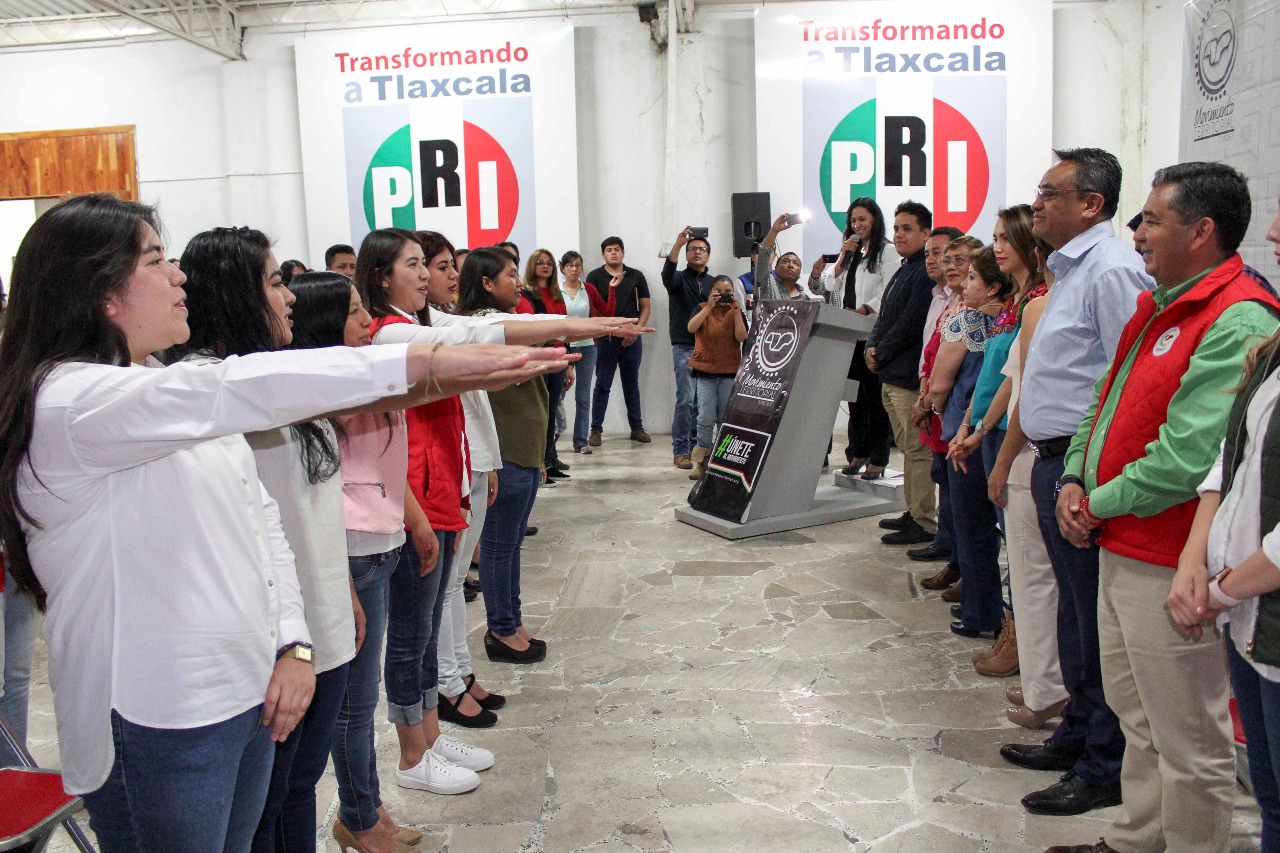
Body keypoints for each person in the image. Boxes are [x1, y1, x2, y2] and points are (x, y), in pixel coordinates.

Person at [0, 193, 566, 848]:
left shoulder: (156, 381)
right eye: (156, 259)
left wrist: (293, 644)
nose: (177, 274)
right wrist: (425, 363)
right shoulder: (71, 399)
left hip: (242, 692)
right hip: (156, 713)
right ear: (102, 292)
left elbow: (260, 520)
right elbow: (235, 386)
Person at [1044, 163, 1280, 853]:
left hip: (1169, 556)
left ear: (1201, 231)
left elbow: (1188, 455)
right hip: (1120, 541)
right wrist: (1074, 477)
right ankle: (1136, 838)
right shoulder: (1157, 302)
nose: (1136, 231)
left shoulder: (1237, 315)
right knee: (1137, 715)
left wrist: (1097, 503)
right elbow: (1104, 398)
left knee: (1187, 736)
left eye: (1151, 219)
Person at [172, 228, 371, 853]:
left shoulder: (277, 377)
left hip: (322, 624)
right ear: (236, 293)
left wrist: (342, 593)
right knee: (264, 807)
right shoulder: (217, 390)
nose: (287, 294)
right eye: (273, 280)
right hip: (280, 646)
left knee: (297, 788)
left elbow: (312, 515)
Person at [999, 147, 1153, 818]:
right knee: (1072, 611)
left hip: (1082, 468)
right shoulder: (1071, 270)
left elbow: (1129, 382)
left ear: (1091, 203)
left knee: (1095, 623)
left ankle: (1104, 764)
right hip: (1056, 458)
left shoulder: (1112, 270)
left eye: (1049, 193)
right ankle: (1077, 732)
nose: (1036, 204)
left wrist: (1087, 474)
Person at [287, 272, 420, 853]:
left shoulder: (353, 377)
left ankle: (367, 807)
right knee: (353, 704)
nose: (369, 323)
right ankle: (360, 816)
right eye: (355, 313)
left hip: (381, 539)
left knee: (359, 699)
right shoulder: (323, 390)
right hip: (353, 549)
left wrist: (412, 518)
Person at [1167, 190, 1280, 853]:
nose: (1269, 229)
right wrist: (1196, 557)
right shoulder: (1273, 345)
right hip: (1247, 618)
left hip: (1256, 605)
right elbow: (1228, 457)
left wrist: (1226, 585)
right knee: (1268, 795)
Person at [949, 206, 1052, 679]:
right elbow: (1000, 375)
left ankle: (1023, 645)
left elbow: (1021, 381)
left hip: (1025, 435)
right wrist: (974, 425)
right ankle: (1011, 634)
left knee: (1021, 550)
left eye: (1003, 238)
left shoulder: (1041, 299)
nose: (996, 248)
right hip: (996, 427)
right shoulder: (1016, 302)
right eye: (993, 239)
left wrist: (987, 432)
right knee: (1005, 539)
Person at [927, 247, 1013, 639]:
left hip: (983, 432)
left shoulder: (985, 321)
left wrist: (965, 426)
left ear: (994, 287)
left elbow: (983, 383)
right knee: (971, 525)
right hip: (971, 428)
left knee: (975, 526)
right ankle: (982, 607)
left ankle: (985, 613)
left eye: (974, 278)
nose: (965, 284)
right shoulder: (1000, 320)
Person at [810, 198, 902, 481]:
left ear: (875, 219)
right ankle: (858, 451)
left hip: (873, 333)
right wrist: (841, 257)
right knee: (855, 400)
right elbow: (827, 284)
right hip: (849, 334)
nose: (857, 225)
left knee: (875, 400)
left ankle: (878, 456)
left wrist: (865, 309)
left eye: (862, 219)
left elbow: (891, 288)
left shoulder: (886, 251)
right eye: (853, 221)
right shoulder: (851, 254)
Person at [865, 200, 936, 546]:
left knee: (917, 451)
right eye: (896, 228)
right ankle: (913, 511)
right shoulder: (903, 268)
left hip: (906, 375)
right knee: (908, 450)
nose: (899, 234)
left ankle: (924, 521)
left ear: (926, 233)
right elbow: (884, 316)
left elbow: (910, 323)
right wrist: (871, 346)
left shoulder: (924, 271)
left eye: (907, 228)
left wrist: (882, 350)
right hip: (890, 374)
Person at [911, 230, 974, 594]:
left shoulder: (973, 309)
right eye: (944, 259)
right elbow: (932, 353)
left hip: (955, 411)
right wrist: (925, 388)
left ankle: (965, 569)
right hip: (938, 407)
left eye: (956, 260)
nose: (948, 266)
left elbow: (954, 369)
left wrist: (928, 398)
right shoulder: (949, 302)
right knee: (945, 484)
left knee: (960, 497)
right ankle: (955, 559)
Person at [585, 237, 652, 449]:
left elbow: (645, 306)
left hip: (632, 340)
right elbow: (593, 309)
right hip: (606, 338)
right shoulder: (594, 276)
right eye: (609, 250)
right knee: (602, 384)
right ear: (603, 254)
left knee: (631, 383)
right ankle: (596, 430)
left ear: (623, 253)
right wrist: (610, 329)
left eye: (617, 249)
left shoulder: (635, 276)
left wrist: (636, 331)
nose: (613, 253)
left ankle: (637, 427)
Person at [663, 227, 715, 470]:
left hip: (709, 347)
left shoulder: (714, 283)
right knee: (685, 400)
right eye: (692, 249)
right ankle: (680, 450)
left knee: (703, 402)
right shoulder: (678, 280)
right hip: (684, 345)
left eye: (701, 249)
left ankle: (699, 450)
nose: (697, 252)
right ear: (686, 254)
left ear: (708, 256)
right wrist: (677, 243)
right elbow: (667, 272)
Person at [686, 275, 748, 480]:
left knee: (725, 419)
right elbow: (691, 328)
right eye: (718, 291)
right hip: (705, 371)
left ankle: (723, 461)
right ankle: (701, 462)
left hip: (729, 371)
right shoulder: (702, 307)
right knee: (705, 417)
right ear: (711, 291)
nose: (723, 295)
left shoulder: (735, 311)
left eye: (727, 292)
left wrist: (738, 312)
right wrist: (709, 307)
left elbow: (741, 337)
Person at [524, 249, 574, 479]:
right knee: (540, 410)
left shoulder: (556, 294)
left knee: (552, 410)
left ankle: (550, 459)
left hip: (559, 358)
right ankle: (541, 463)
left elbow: (565, 329)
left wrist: (569, 362)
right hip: (541, 358)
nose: (545, 267)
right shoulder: (528, 295)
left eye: (549, 263)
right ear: (532, 267)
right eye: (540, 263)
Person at [563, 250, 616, 455]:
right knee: (557, 395)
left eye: (577, 265)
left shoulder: (589, 289)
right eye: (570, 265)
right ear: (563, 269)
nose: (574, 269)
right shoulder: (558, 290)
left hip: (587, 345)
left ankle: (580, 441)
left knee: (583, 397)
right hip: (564, 346)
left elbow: (607, 312)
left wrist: (611, 290)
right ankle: (551, 443)